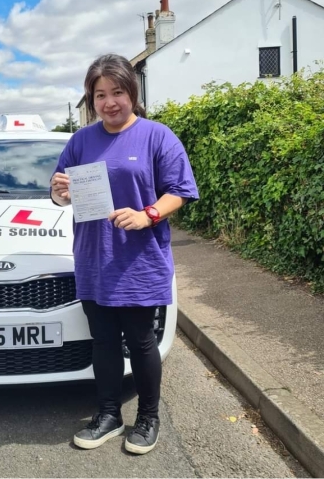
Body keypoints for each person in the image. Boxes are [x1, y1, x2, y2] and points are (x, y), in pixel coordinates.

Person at [50, 53, 199, 454]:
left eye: (117, 92)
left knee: (142, 340)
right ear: (91, 100)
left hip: (139, 259)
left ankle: (148, 417)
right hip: (93, 257)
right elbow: (58, 192)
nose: (109, 102)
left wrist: (147, 214)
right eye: (100, 95)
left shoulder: (157, 136)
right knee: (103, 341)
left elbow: (181, 191)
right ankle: (108, 415)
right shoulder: (80, 141)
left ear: (131, 92)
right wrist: (59, 192)